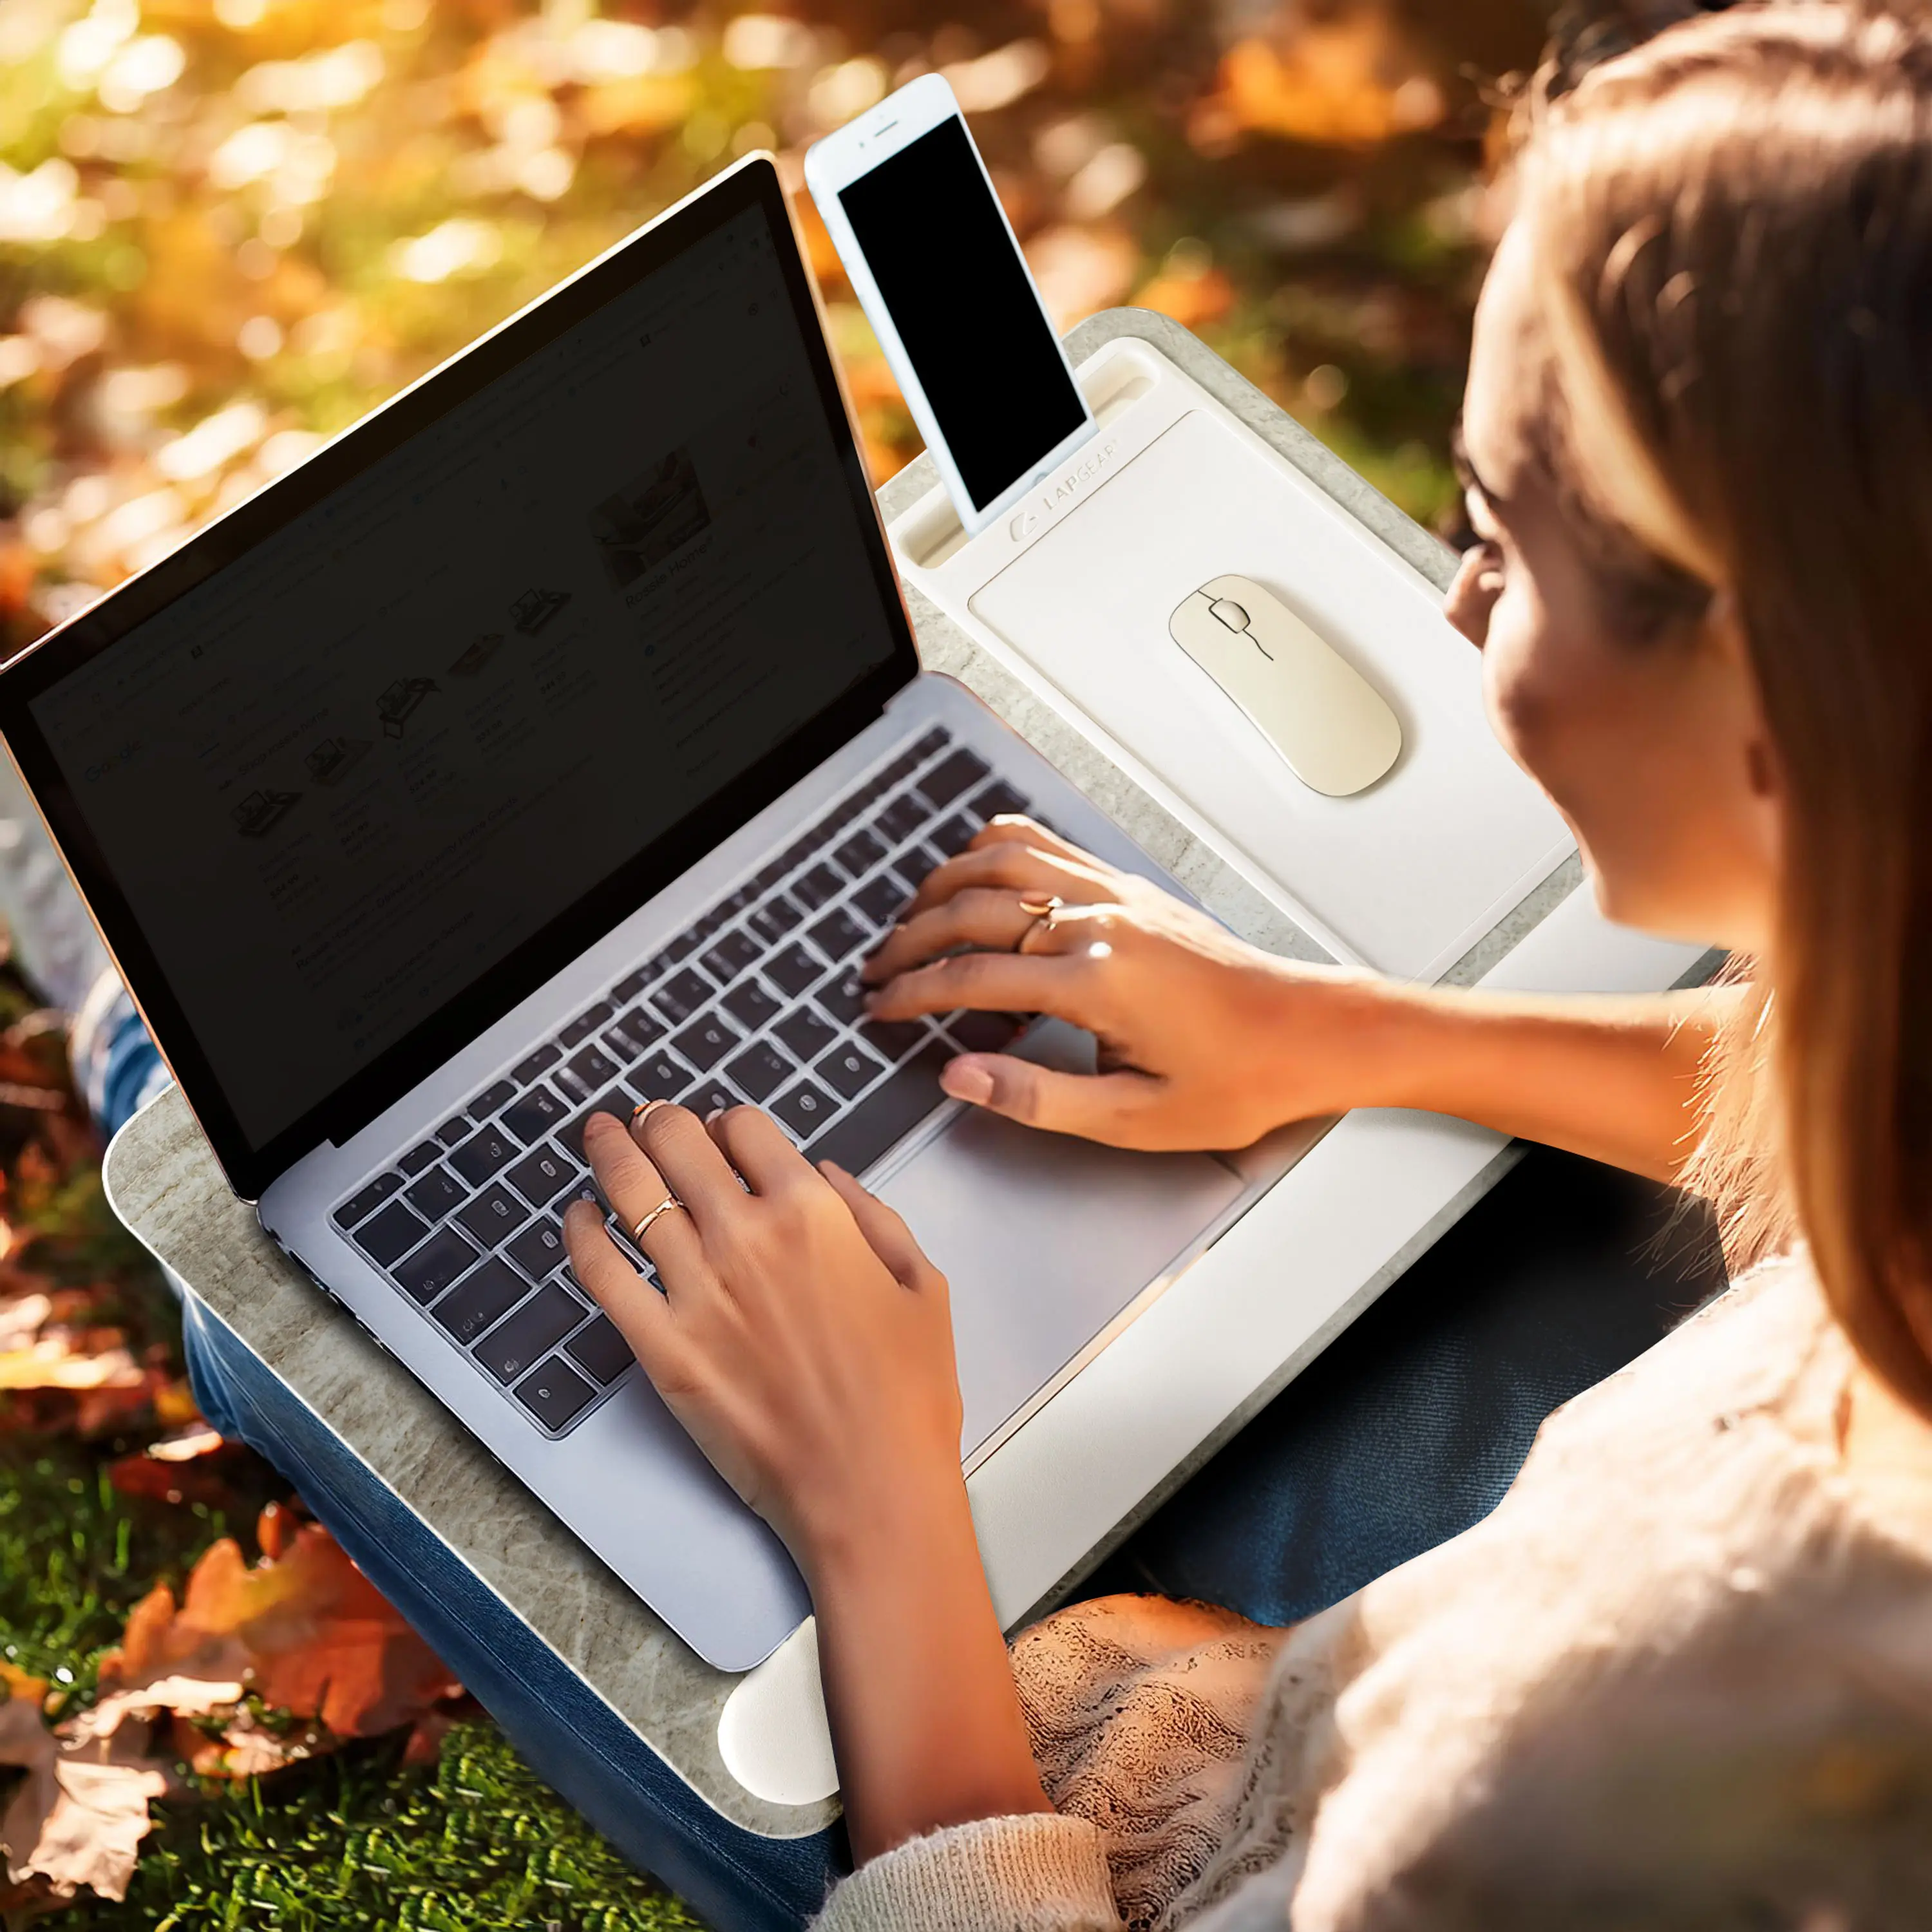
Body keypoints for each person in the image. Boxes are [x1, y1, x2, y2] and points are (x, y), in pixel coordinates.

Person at [557, 6, 1932, 1924]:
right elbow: (1858, 1079)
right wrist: (1331, 1029)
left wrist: (875, 1511)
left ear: (1778, 706)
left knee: (250, 1311)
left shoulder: (1577, 1788)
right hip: (1445, 1626)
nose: (1456, 598)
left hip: (1220, 1820)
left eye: (1500, 533)